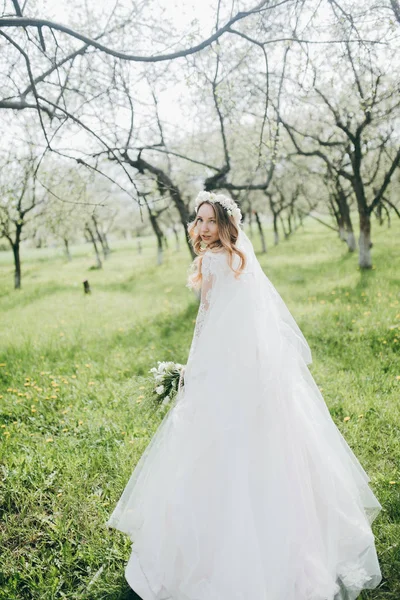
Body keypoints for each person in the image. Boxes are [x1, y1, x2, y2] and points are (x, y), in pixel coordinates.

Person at [106, 191, 382, 600]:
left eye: (210, 221)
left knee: (216, 456)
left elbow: (205, 323)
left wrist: (192, 370)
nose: (202, 228)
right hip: (251, 368)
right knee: (269, 453)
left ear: (224, 225)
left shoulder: (212, 261)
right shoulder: (243, 260)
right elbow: (251, 323)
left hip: (223, 368)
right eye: (198, 220)